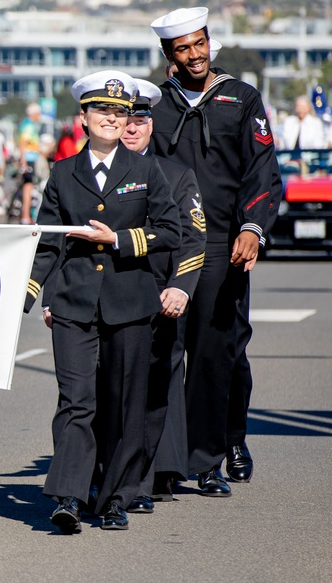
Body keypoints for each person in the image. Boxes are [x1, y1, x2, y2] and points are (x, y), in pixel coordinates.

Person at [25, 71, 181, 533]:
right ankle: (70, 496)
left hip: (130, 304)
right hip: (74, 305)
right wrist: (28, 295)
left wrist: (120, 239)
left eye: (120, 113)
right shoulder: (62, 173)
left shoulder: (145, 170)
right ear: (84, 118)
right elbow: (48, 243)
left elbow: (170, 231)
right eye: (103, 112)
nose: (114, 120)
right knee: (77, 401)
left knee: (122, 403)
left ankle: (115, 496)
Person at [149, 6, 281, 497]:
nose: (195, 54)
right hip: (169, 246)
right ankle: (164, 460)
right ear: (169, 56)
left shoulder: (242, 98)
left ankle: (212, 455)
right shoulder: (153, 108)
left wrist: (253, 227)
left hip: (226, 244)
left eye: (200, 43)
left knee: (218, 351)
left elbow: (262, 170)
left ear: (210, 42)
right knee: (164, 350)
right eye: (183, 48)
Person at [120, 79, 206, 511]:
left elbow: (194, 240)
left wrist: (181, 287)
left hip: (161, 295)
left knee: (160, 384)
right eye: (124, 120)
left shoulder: (176, 175)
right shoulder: (89, 175)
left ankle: (159, 471)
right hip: (111, 297)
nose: (132, 128)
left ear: (152, 124)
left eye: (140, 119)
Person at [17, 103, 42, 223]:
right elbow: (23, 142)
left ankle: (26, 214)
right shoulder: (29, 126)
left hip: (30, 158)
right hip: (29, 158)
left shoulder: (29, 124)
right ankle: (25, 215)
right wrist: (23, 161)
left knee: (29, 186)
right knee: (28, 186)